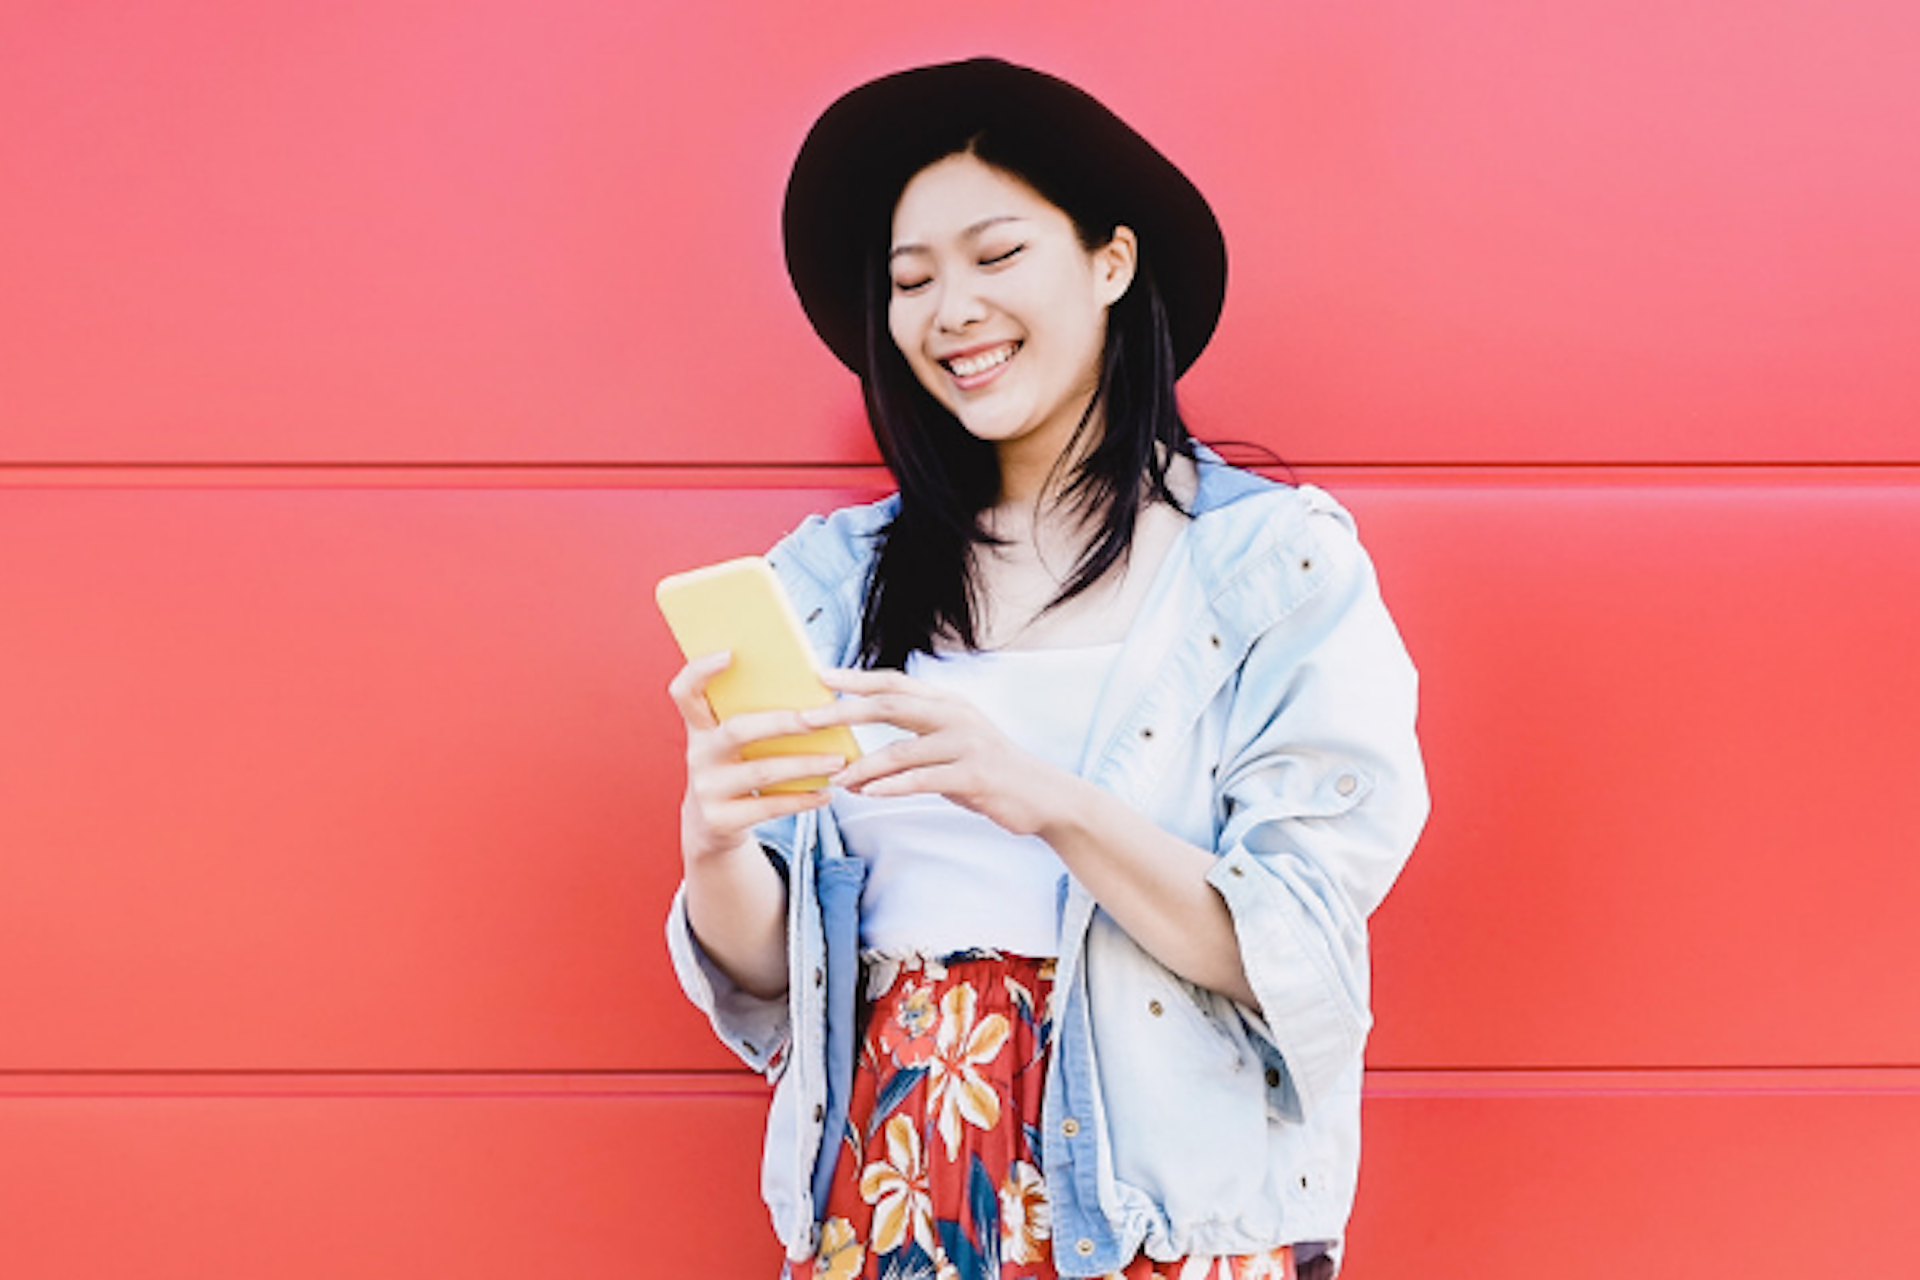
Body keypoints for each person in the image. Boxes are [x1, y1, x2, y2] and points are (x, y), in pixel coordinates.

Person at [665, 58, 1428, 1280]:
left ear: (1111, 261)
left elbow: (1299, 947)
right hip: (893, 1183)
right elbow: (767, 973)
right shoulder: (824, 582)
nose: (949, 309)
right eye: (912, 282)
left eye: (996, 256)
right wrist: (713, 840)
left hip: (1157, 1213)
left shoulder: (1271, 567)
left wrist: (1044, 795)